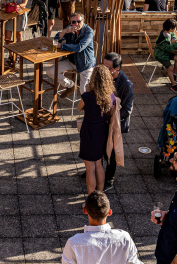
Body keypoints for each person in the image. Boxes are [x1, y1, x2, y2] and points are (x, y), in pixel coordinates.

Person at [78, 66, 117, 195]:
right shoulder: (110, 97)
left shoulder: (87, 96)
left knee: (90, 168)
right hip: (101, 131)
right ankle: (100, 194)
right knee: (99, 164)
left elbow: (79, 108)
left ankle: (91, 199)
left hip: (89, 131)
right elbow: (111, 114)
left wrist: (88, 90)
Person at [102, 53, 133, 191]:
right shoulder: (104, 77)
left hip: (116, 123)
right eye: (103, 66)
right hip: (103, 120)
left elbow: (127, 109)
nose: (104, 70)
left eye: (107, 68)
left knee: (112, 153)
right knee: (100, 147)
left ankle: (109, 178)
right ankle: (96, 169)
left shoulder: (126, 84)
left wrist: (112, 117)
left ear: (117, 68)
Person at [55, 12, 95, 97]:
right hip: (72, 61)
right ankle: (71, 86)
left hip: (85, 64)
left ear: (83, 21)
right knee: (51, 71)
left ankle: (88, 109)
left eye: (79, 21)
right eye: (73, 22)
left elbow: (79, 47)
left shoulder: (88, 32)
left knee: (84, 92)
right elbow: (55, 41)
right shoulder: (70, 28)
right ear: (71, 22)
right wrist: (64, 31)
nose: (76, 24)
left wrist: (62, 45)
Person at [0, 0, 30, 65]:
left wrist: (15, 6)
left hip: (19, 14)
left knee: (18, 35)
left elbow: (24, 3)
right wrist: (4, 2)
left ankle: (18, 55)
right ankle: (10, 55)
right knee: (7, 36)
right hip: (9, 14)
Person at [155, 18, 177, 93]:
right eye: (174, 28)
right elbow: (169, 49)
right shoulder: (163, 39)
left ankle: (174, 74)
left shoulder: (167, 31)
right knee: (170, 68)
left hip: (165, 52)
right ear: (170, 28)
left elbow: (173, 34)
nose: (175, 30)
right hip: (161, 55)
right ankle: (173, 85)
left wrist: (174, 38)